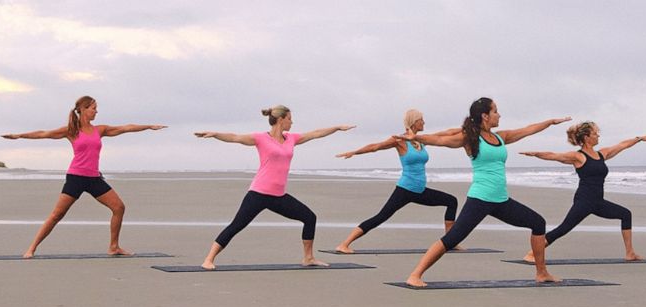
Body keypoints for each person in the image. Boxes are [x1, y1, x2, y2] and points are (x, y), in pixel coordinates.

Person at [399, 97, 570, 287]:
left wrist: (548, 122)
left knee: (538, 223)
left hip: (501, 200)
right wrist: (417, 137)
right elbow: (441, 139)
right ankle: (415, 275)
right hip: (480, 199)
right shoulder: (470, 138)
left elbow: (526, 130)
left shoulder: (500, 137)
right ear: (485, 116)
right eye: (496, 111)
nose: (499, 114)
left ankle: (541, 272)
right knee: (452, 238)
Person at [1, 95, 167, 258]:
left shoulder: (100, 130)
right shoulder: (71, 130)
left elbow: (125, 128)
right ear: (83, 109)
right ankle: (31, 248)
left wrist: (149, 126)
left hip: (94, 179)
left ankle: (114, 247)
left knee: (119, 207)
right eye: (94, 108)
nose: (96, 111)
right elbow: (44, 133)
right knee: (57, 215)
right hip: (76, 178)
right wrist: (19, 135)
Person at [194, 105, 355, 269]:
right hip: (258, 193)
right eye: (290, 119)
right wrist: (215, 134)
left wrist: (336, 128)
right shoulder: (260, 138)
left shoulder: (291, 138)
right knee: (237, 225)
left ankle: (308, 258)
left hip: (278, 196)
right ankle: (209, 259)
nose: (292, 122)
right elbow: (235, 137)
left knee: (309, 218)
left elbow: (315, 134)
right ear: (281, 119)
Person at [520, 121, 646, 261]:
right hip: (584, 201)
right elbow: (554, 155)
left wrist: (638, 139)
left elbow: (622, 145)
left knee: (625, 214)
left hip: (598, 202)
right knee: (564, 228)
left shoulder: (602, 154)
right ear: (586, 137)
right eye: (595, 133)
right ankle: (532, 253)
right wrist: (536, 153)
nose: (598, 136)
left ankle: (630, 253)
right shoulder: (578, 156)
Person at [333, 109, 461, 253]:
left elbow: (448, 132)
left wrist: (469, 127)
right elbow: (376, 146)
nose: (424, 122)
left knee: (451, 201)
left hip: (420, 190)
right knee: (380, 217)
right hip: (405, 190)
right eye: (421, 120)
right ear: (414, 121)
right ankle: (344, 244)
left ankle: (450, 241)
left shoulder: (421, 140)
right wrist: (355, 152)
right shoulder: (400, 140)